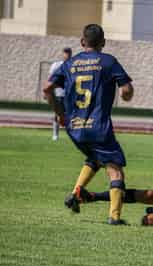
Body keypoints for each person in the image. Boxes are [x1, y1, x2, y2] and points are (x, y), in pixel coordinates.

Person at [43, 24, 134, 225]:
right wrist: (126, 93)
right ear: (103, 42)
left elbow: (47, 88)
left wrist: (60, 113)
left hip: (75, 128)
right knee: (115, 169)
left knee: (95, 157)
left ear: (82, 42)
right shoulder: (109, 62)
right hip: (98, 127)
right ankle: (115, 217)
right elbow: (126, 89)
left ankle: (76, 194)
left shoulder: (68, 64)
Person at [48, 47, 72, 141]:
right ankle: (55, 135)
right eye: (66, 53)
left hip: (70, 95)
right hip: (59, 94)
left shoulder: (74, 65)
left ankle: (72, 135)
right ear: (62, 54)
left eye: (69, 53)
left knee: (71, 115)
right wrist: (49, 91)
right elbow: (50, 79)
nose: (67, 55)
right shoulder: (56, 65)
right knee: (57, 114)